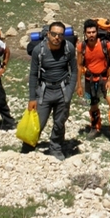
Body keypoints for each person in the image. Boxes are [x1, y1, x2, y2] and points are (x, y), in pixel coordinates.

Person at [23, 21, 77, 160]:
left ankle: (56, 147)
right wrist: (32, 98)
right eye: (54, 34)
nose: (56, 37)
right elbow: (33, 75)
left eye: (60, 35)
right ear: (48, 34)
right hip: (44, 91)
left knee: (59, 123)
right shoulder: (38, 51)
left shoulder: (69, 48)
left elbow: (74, 71)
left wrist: (69, 93)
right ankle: (28, 145)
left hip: (62, 90)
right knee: (39, 122)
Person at [76, 19, 110, 146]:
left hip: (104, 79)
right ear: (85, 33)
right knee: (92, 104)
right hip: (89, 80)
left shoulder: (106, 44)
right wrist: (79, 85)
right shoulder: (81, 47)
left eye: (93, 32)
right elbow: (79, 65)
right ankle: (95, 127)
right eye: (89, 32)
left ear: (97, 32)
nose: (91, 34)